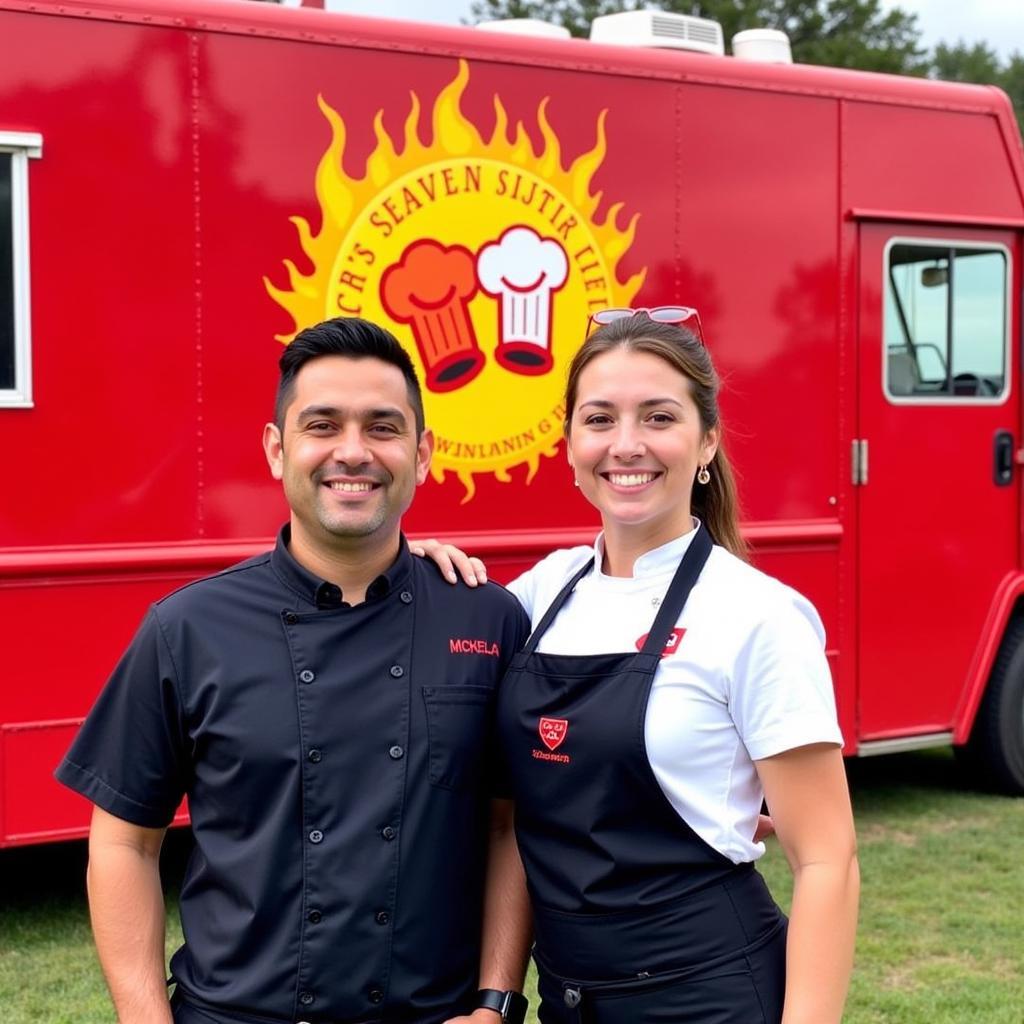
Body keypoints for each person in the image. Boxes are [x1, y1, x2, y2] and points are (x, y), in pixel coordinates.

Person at [55, 317, 533, 1024]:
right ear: (278, 450)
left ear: (423, 453)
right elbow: (125, 839)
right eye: (322, 425)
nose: (352, 452)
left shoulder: (487, 621)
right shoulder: (187, 628)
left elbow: (507, 828)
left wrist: (494, 1004)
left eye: (382, 427)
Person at [423, 308, 859, 1023]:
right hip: (570, 1001)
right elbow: (515, 820)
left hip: (709, 996)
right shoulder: (540, 594)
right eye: (599, 419)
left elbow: (827, 861)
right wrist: (419, 568)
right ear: (569, 444)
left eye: (658, 418)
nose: (626, 445)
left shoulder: (757, 616)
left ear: (706, 441)